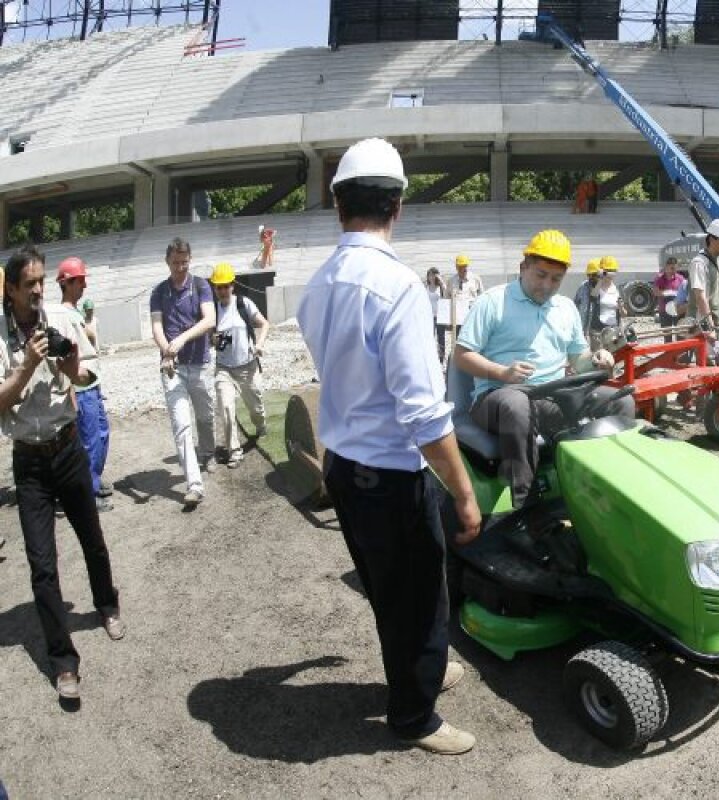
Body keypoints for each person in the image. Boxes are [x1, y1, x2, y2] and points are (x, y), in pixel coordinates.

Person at [297, 137, 482, 756]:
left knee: (389, 589)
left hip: (345, 465)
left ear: (339, 206)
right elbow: (425, 417)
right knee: (421, 592)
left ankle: (420, 669)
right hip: (389, 473)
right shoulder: (398, 288)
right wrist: (464, 492)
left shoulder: (318, 283)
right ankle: (413, 715)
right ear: (397, 206)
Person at [0, 247, 124, 703]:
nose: (37, 290)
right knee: (42, 567)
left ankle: (107, 604)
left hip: (67, 447)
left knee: (92, 536)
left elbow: (85, 373)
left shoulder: (62, 318)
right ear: (10, 288)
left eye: (40, 281)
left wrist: (70, 363)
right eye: (28, 283)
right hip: (29, 461)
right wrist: (27, 365)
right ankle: (63, 662)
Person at [455, 230, 634, 508]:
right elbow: (462, 356)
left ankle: (615, 486)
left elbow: (579, 359)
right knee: (516, 405)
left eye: (556, 279)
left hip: (553, 395)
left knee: (620, 400)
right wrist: (502, 373)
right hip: (496, 395)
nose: (548, 285)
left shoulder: (564, 308)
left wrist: (598, 358)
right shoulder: (492, 302)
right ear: (523, 266)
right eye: (540, 275)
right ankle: (524, 501)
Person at [150, 237, 215, 510]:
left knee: (205, 414)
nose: (180, 268)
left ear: (190, 260)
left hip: (200, 362)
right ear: (167, 262)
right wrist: (167, 350)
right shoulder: (158, 292)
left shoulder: (200, 285)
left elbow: (209, 320)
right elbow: (156, 327)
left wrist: (182, 340)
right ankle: (194, 485)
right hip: (172, 367)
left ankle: (209, 452)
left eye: (184, 262)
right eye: (175, 263)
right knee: (181, 424)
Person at [56, 257, 112, 511]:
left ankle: (94, 481)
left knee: (102, 434)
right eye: (80, 281)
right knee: (89, 441)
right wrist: (72, 393)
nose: (84, 286)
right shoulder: (62, 316)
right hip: (81, 387)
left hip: (92, 384)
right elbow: (65, 360)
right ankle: (88, 495)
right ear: (67, 283)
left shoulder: (74, 313)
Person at [209, 263, 269, 469]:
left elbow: (264, 323)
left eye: (226, 286)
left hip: (248, 366)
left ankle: (261, 426)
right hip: (223, 369)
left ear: (233, 285)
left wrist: (259, 344)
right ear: (214, 288)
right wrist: (213, 340)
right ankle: (234, 451)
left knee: (256, 408)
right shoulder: (212, 311)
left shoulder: (244, 303)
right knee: (226, 407)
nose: (223, 290)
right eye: (219, 287)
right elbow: (207, 338)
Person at [688, 219, 719, 366]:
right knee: (709, 368)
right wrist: (709, 328)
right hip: (704, 326)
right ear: (711, 239)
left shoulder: (718, 262)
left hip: (718, 325)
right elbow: (700, 296)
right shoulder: (699, 263)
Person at [587, 255, 625, 350]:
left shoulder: (616, 289)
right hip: (598, 331)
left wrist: (621, 307)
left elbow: (624, 313)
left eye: (613, 270)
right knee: (599, 359)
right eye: (608, 270)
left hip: (613, 330)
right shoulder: (596, 285)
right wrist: (601, 278)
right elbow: (593, 296)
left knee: (613, 359)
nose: (610, 273)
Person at [448, 254, 484, 332]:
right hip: (457, 317)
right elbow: (447, 298)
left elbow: (482, 297)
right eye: (461, 267)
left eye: (465, 266)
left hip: (472, 315)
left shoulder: (475, 279)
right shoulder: (451, 281)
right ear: (456, 267)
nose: (464, 269)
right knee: (458, 338)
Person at [654, 256, 685, 337]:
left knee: (680, 334)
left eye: (675, 269)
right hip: (664, 310)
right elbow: (655, 292)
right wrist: (666, 293)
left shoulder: (680, 278)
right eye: (671, 268)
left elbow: (685, 292)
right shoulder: (659, 278)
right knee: (667, 335)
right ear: (666, 267)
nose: (673, 271)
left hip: (677, 310)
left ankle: (680, 349)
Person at [425, 268, 447, 364]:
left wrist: (441, 281)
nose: (432, 277)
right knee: (430, 337)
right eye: (430, 275)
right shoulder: (426, 287)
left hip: (439, 315)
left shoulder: (440, 287)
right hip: (429, 316)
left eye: (434, 275)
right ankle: (430, 357)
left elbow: (447, 293)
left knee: (441, 337)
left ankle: (441, 358)